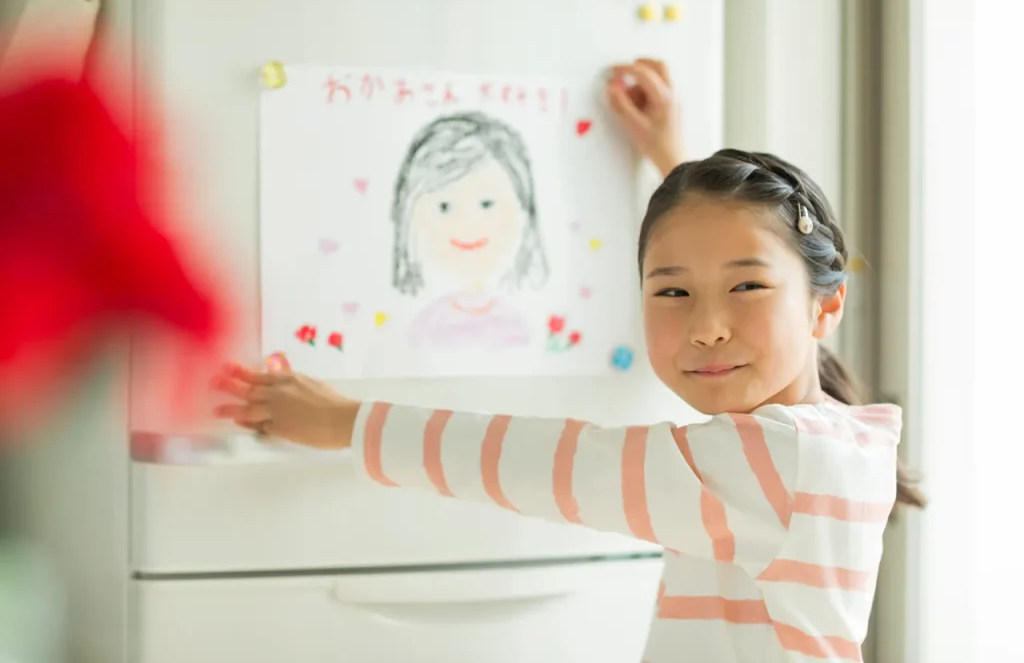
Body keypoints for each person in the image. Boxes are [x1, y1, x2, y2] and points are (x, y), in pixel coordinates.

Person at [213, 59, 926, 663]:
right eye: (672, 289)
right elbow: (736, 251)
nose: (707, 327)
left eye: (747, 287)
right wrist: (675, 161)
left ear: (825, 306)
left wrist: (345, 421)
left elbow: (554, 463)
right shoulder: (824, 439)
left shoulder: (779, 460)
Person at [392, 112, 549, 348]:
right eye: (444, 207)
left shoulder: (523, 325)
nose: (467, 223)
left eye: (487, 204)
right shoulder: (425, 326)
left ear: (525, 214)